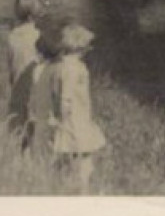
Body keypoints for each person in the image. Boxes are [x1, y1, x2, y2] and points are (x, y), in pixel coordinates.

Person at [30, 23, 108, 192]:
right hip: (75, 119)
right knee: (83, 158)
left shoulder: (61, 65)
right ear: (80, 46)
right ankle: (81, 190)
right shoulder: (73, 68)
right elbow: (66, 96)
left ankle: (68, 186)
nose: (89, 49)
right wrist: (62, 118)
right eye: (87, 45)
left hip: (77, 117)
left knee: (70, 157)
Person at [6, 0, 46, 140]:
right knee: (33, 125)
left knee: (18, 125)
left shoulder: (12, 36)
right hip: (33, 87)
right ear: (32, 16)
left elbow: (11, 65)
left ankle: (20, 154)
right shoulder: (38, 37)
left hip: (17, 85)